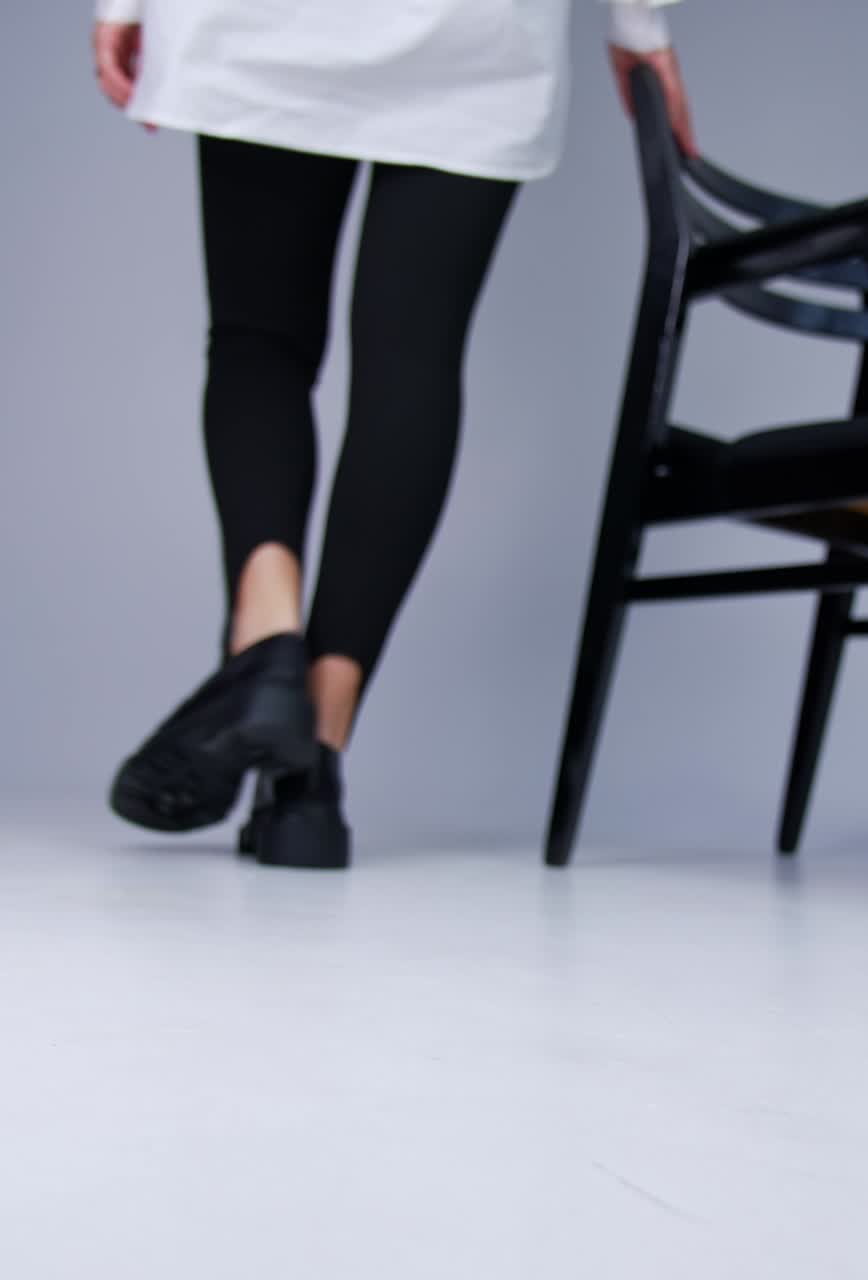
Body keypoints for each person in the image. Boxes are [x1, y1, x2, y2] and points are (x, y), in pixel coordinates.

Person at [92, 0, 696, 869]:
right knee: (412, 364)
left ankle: (265, 655)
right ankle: (314, 775)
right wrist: (641, 28)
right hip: (479, 29)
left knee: (261, 342)